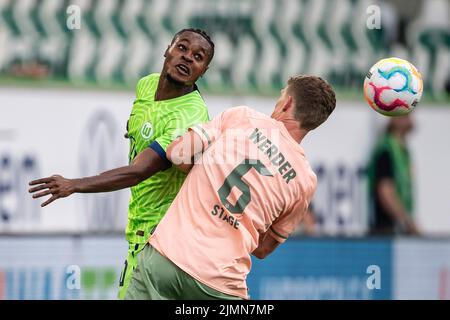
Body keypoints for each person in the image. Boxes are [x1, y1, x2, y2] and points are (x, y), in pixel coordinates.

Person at [28, 28, 215, 299]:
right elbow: (142, 130)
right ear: (168, 49)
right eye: (182, 48)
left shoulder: (189, 115)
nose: (186, 58)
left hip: (161, 235)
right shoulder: (147, 85)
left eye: (198, 57)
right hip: (143, 228)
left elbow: (138, 171)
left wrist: (73, 185)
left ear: (204, 70)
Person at [124, 75, 336, 300]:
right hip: (220, 284)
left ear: (288, 103)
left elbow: (177, 154)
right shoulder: (305, 180)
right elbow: (263, 249)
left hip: (166, 258)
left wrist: (207, 170)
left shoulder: (242, 117)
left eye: (281, 95)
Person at [367, 114, 419, 235]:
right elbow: (385, 190)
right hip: (385, 230)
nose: (411, 119)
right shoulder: (386, 149)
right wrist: (406, 221)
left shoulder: (401, 149)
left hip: (395, 228)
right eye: (405, 115)